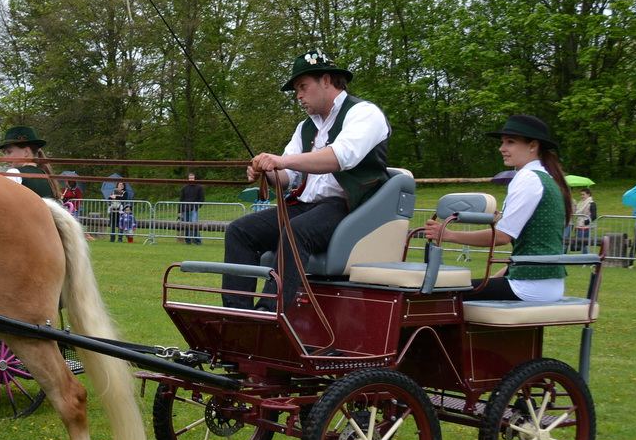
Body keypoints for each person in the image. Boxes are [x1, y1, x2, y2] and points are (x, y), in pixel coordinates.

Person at [222, 51, 390, 310]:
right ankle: (236, 314)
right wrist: (266, 171)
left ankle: (269, 312)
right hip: (307, 207)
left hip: (350, 207)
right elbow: (288, 178)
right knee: (240, 231)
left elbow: (339, 157)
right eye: (296, 90)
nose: (298, 95)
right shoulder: (305, 127)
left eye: (302, 86)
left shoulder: (364, 113)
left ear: (326, 80)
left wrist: (282, 160)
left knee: (296, 230)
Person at [419, 114, 572, 304]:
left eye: (510, 142)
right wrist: (499, 276)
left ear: (533, 146)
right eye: (502, 142)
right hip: (545, 284)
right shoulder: (548, 178)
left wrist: (447, 234)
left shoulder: (528, 178)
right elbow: (536, 246)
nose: (502, 148)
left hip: (529, 286)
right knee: (458, 289)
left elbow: (502, 236)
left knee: (435, 295)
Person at [0, 126, 59, 199]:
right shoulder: (46, 174)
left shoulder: (14, 173)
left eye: (9, 152)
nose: (6, 158)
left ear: (26, 152)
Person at [178, 170, 205, 244]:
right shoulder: (184, 188)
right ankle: (188, 241)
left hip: (193, 209)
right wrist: (179, 211)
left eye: (192, 178)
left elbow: (202, 199)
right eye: (190, 178)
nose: (191, 180)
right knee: (186, 226)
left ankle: (198, 241)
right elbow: (181, 200)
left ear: (195, 179)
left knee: (194, 225)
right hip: (185, 209)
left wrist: (196, 207)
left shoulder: (199, 188)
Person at [569, 187, 595, 251]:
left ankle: (585, 255)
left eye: (583, 194)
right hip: (579, 225)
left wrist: (586, 221)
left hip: (585, 226)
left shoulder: (591, 203)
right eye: (581, 194)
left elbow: (594, 215)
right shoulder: (580, 203)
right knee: (581, 243)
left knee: (583, 244)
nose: (582, 196)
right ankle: (585, 255)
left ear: (588, 195)